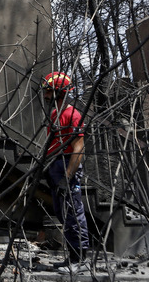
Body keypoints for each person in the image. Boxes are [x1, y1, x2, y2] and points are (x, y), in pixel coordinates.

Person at [42, 71, 91, 270]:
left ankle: (79, 259)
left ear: (58, 92)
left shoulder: (73, 115)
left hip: (66, 167)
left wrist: (67, 176)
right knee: (62, 214)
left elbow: (78, 148)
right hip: (54, 166)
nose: (45, 95)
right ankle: (71, 257)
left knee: (73, 213)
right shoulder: (55, 114)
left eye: (48, 91)